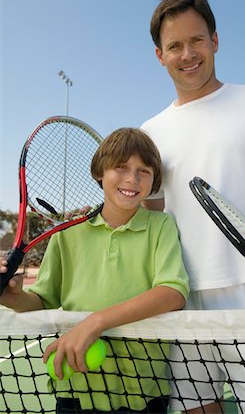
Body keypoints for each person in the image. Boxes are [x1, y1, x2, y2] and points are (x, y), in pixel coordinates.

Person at [141, 0, 245, 413]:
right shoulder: (149, 132)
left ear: (215, 40)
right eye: (175, 45)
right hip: (183, 299)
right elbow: (150, 221)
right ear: (159, 55)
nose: (187, 54)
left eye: (197, 40)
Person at [0, 127, 190, 414]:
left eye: (144, 171)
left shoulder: (160, 226)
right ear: (100, 172)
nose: (132, 179)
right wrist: (12, 298)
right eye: (121, 167)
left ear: (154, 181)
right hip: (75, 386)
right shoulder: (67, 233)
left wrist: (95, 322)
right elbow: (42, 302)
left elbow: (172, 293)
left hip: (143, 388)